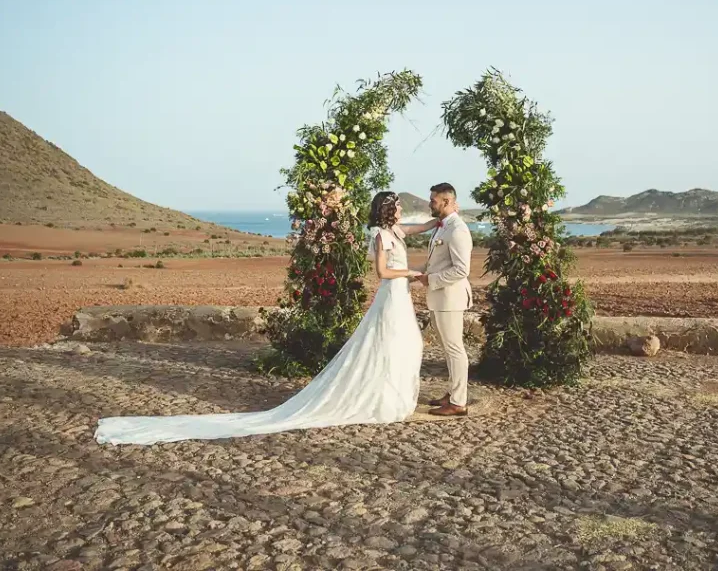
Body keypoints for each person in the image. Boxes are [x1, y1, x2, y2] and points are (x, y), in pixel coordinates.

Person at [94, 191, 437, 445]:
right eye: (398, 206)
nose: (403, 210)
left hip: (400, 298)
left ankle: (390, 393)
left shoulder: (397, 232)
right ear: (389, 210)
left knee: (404, 345)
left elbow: (419, 229)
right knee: (391, 344)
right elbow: (381, 272)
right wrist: (413, 273)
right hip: (392, 295)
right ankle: (381, 397)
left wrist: (441, 220)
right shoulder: (380, 235)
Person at [414, 182, 473, 417]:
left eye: (433, 200)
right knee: (449, 350)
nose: (430, 203)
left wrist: (431, 280)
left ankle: (459, 402)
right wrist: (410, 275)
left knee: (455, 349)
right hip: (440, 299)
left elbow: (462, 270)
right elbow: (433, 263)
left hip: (450, 298)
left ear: (446, 201)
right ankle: (454, 392)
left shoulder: (457, 229)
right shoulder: (442, 227)